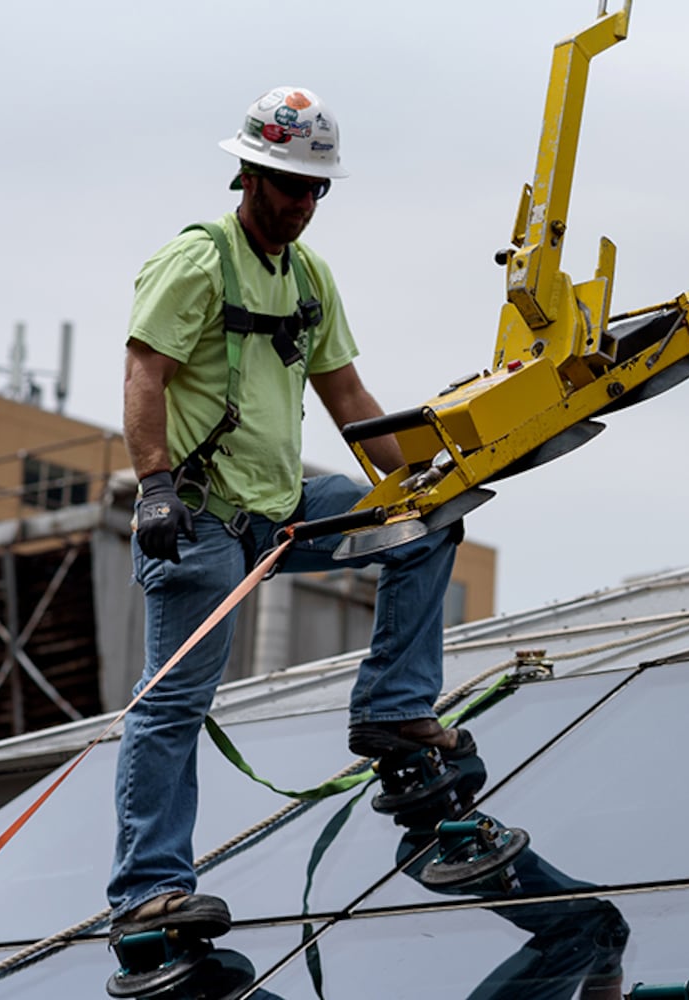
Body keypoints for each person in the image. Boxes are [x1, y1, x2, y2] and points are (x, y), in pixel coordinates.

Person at [108, 86, 466, 945]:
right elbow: (143, 372)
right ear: (248, 174)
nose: (303, 204)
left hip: (285, 506)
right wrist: (153, 485)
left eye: (316, 190)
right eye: (289, 185)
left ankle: (390, 706)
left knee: (430, 525)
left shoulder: (308, 278)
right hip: (199, 518)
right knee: (173, 703)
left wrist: (418, 481)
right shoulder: (196, 262)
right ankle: (147, 891)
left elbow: (346, 395)